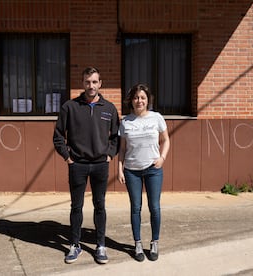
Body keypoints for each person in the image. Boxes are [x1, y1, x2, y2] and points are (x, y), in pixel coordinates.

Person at [53, 67, 119, 264]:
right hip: (78, 165)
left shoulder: (109, 108)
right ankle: (75, 244)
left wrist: (109, 155)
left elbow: (116, 137)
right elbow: (58, 136)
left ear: (100, 83)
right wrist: (68, 158)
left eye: (94, 82)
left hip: (100, 165)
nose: (91, 86)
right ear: (83, 83)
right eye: (87, 82)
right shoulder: (70, 107)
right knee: (77, 206)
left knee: (100, 205)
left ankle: (100, 245)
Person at [117, 83, 170, 262]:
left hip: (153, 170)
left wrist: (162, 158)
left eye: (142, 97)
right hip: (132, 171)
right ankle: (138, 244)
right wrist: (120, 169)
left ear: (148, 100)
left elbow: (166, 140)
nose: (139, 101)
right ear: (131, 101)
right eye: (136, 97)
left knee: (154, 207)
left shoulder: (156, 118)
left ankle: (154, 242)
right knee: (136, 208)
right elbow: (122, 149)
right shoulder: (125, 121)